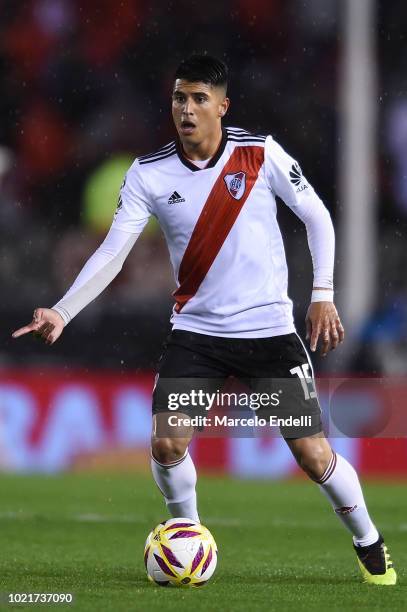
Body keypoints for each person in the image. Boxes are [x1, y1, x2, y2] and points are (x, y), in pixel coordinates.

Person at [13, 54, 396, 585]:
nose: (186, 109)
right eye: (178, 98)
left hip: (268, 333)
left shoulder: (259, 154)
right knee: (167, 443)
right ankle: (187, 535)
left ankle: (369, 541)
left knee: (313, 456)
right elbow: (112, 253)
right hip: (197, 334)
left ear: (222, 105)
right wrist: (63, 309)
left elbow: (317, 217)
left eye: (197, 98)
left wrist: (323, 293)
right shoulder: (148, 173)